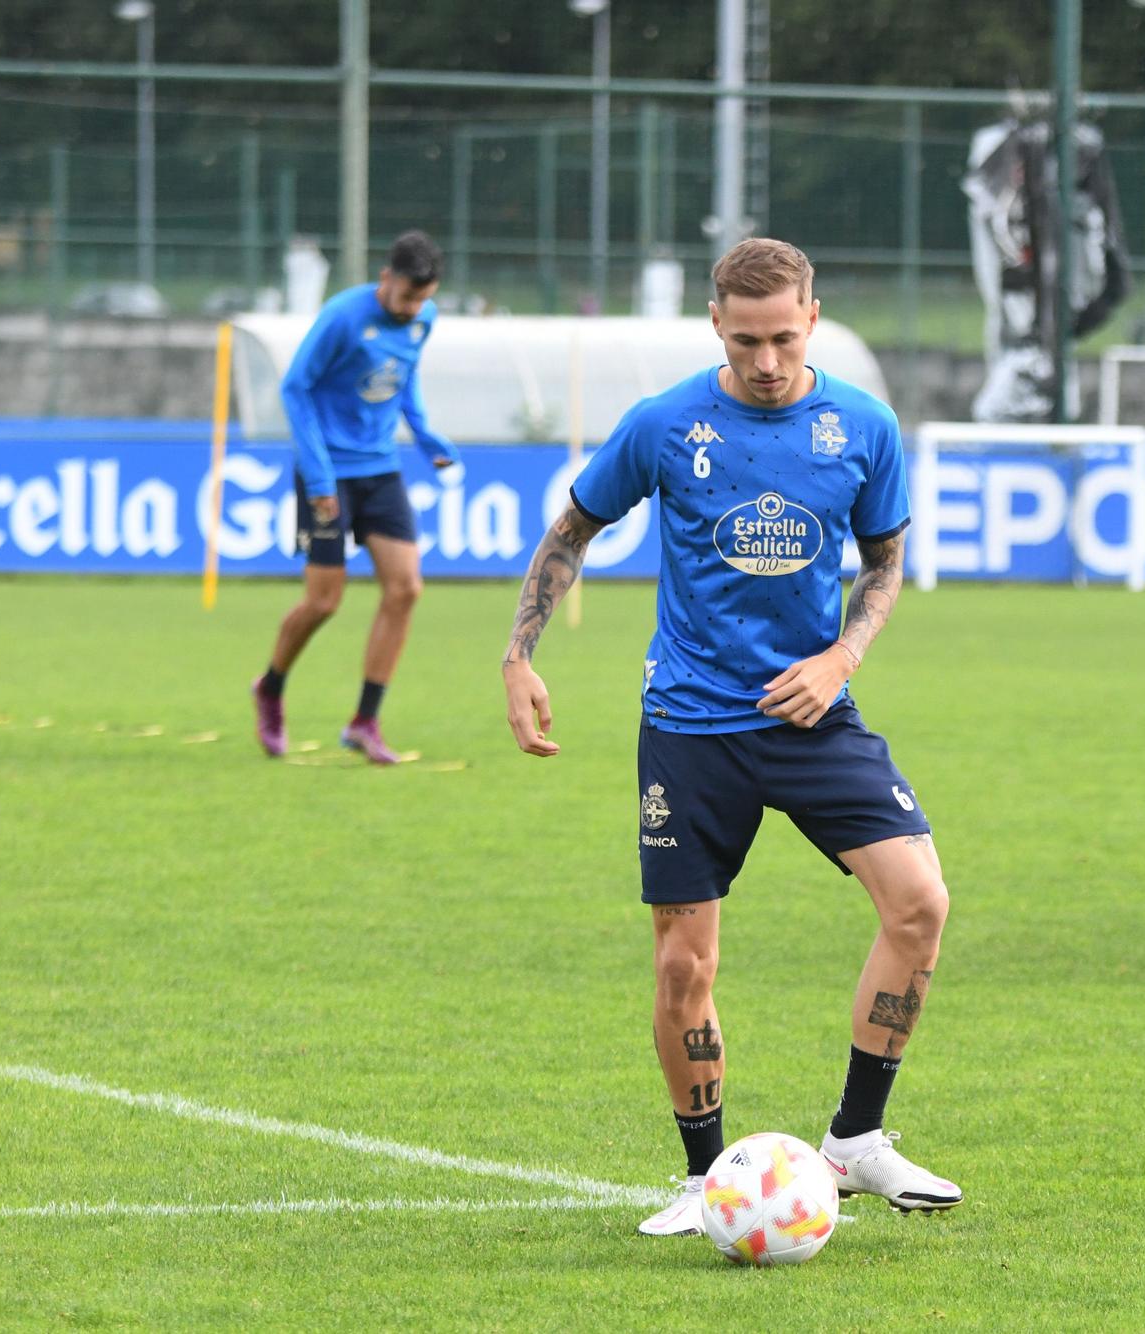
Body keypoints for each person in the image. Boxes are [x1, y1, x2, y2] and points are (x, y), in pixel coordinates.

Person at [499, 238, 961, 1236]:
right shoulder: (665, 422)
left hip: (810, 714)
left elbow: (882, 564)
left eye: (784, 338)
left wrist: (842, 657)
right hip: (690, 725)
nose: (765, 360)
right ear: (716, 323)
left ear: (814, 318)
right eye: (746, 339)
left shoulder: (861, 424)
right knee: (682, 966)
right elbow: (572, 529)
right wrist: (519, 654)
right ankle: (703, 1175)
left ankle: (855, 1141)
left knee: (920, 901)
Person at [249, 230, 460, 764]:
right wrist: (319, 480)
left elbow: (402, 379)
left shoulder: (423, 319)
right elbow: (295, 388)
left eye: (424, 298)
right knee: (324, 601)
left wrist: (425, 435)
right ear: (385, 279)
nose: (415, 307)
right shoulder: (342, 318)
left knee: (406, 588)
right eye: (408, 296)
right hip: (328, 471)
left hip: (380, 467)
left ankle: (365, 721)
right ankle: (271, 687)